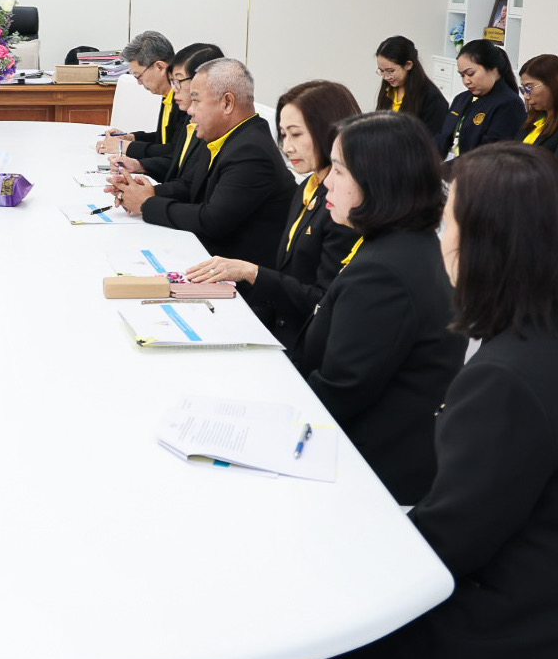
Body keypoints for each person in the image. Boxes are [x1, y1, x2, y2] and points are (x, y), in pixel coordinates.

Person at [285, 143, 558, 659]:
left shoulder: (507, 378)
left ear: (485, 243)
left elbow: (447, 546)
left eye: (449, 223)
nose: (441, 240)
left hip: (540, 646)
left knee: (319, 620)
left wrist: (335, 558)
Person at [291, 111, 466, 505]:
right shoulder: (403, 244)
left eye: (339, 170)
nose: (327, 181)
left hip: (369, 476)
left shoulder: (384, 274)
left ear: (377, 181)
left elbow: (339, 393)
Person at [186, 80, 361, 351]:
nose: (287, 147)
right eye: (283, 135)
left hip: (303, 343)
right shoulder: (308, 187)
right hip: (277, 320)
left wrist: (251, 273)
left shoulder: (342, 205)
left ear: (330, 131)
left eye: (296, 135)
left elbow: (323, 303)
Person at [109, 58, 294, 263]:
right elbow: (190, 186)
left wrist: (146, 204)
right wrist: (143, 191)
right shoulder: (222, 135)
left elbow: (212, 221)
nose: (190, 110)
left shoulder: (251, 151)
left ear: (227, 103)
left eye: (196, 100)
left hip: (235, 268)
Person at [108, 43, 224, 182]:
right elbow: (174, 152)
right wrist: (132, 140)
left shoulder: (195, 115)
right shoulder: (179, 102)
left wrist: (129, 148)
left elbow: (174, 153)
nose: (174, 88)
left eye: (138, 76)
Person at [96, 31, 184, 160]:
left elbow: (176, 151)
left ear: (160, 67)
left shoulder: (185, 101)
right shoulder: (167, 95)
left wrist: (124, 147)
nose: (139, 83)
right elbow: (163, 139)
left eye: (138, 76)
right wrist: (131, 138)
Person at [435, 38, 523, 161]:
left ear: (493, 69)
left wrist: (444, 169)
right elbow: (442, 138)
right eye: (462, 75)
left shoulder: (509, 104)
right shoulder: (461, 98)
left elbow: (489, 155)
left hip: (474, 170)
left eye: (470, 73)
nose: (466, 81)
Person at [373, 35, 448, 136]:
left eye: (390, 71)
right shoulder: (388, 88)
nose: (386, 77)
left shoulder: (432, 98)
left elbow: (431, 140)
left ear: (408, 65)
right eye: (381, 71)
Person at [518, 53, 558, 152]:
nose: (526, 96)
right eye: (524, 89)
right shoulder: (531, 117)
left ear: (553, 84)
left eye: (529, 87)